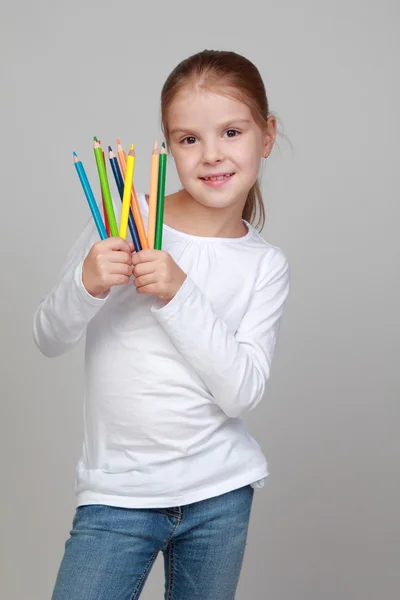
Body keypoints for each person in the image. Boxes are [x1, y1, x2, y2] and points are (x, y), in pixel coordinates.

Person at [34, 49, 290, 600]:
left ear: (266, 135)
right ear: (168, 147)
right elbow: (48, 337)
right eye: (189, 139)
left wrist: (179, 293)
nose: (212, 154)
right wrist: (88, 282)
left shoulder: (265, 265)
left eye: (231, 131)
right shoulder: (126, 218)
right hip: (117, 495)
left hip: (219, 494)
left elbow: (241, 391)